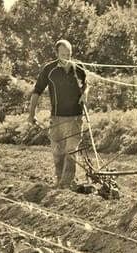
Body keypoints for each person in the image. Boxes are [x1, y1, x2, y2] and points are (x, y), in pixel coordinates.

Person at [27, 39, 89, 189]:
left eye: (68, 54)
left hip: (75, 117)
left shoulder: (78, 68)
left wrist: (85, 93)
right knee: (57, 151)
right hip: (56, 117)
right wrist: (31, 113)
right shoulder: (49, 70)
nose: (66, 57)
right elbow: (37, 92)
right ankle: (60, 179)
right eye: (63, 54)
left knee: (71, 149)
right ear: (57, 53)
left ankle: (67, 183)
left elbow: (86, 84)